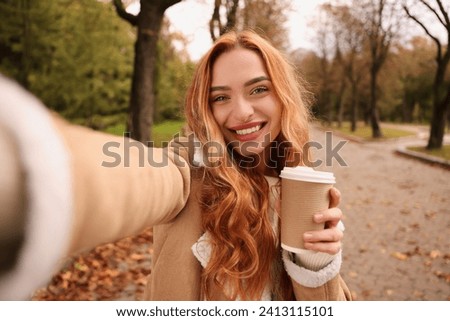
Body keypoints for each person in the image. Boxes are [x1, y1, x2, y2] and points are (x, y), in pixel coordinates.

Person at [0, 30, 351, 301]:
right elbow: (148, 177)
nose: (241, 112)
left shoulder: (301, 180)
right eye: (221, 97)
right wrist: (34, 170)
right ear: (206, 107)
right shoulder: (190, 168)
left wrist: (317, 262)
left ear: (283, 95)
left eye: (258, 90)